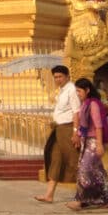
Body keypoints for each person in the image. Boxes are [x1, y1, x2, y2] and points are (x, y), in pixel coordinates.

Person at [67, 77, 108, 211]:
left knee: (84, 169)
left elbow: (98, 126)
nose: (78, 94)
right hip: (87, 140)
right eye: (76, 91)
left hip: (95, 141)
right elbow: (83, 125)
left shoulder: (93, 104)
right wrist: (78, 135)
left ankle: (81, 200)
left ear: (87, 90)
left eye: (79, 91)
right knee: (98, 171)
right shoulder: (85, 104)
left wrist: (100, 145)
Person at [34, 65, 80, 203]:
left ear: (67, 76)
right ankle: (49, 195)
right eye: (55, 77)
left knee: (74, 161)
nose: (57, 79)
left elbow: (76, 112)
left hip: (68, 129)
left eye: (60, 76)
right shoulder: (61, 91)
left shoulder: (72, 90)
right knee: (55, 159)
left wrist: (76, 132)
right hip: (59, 129)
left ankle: (88, 194)